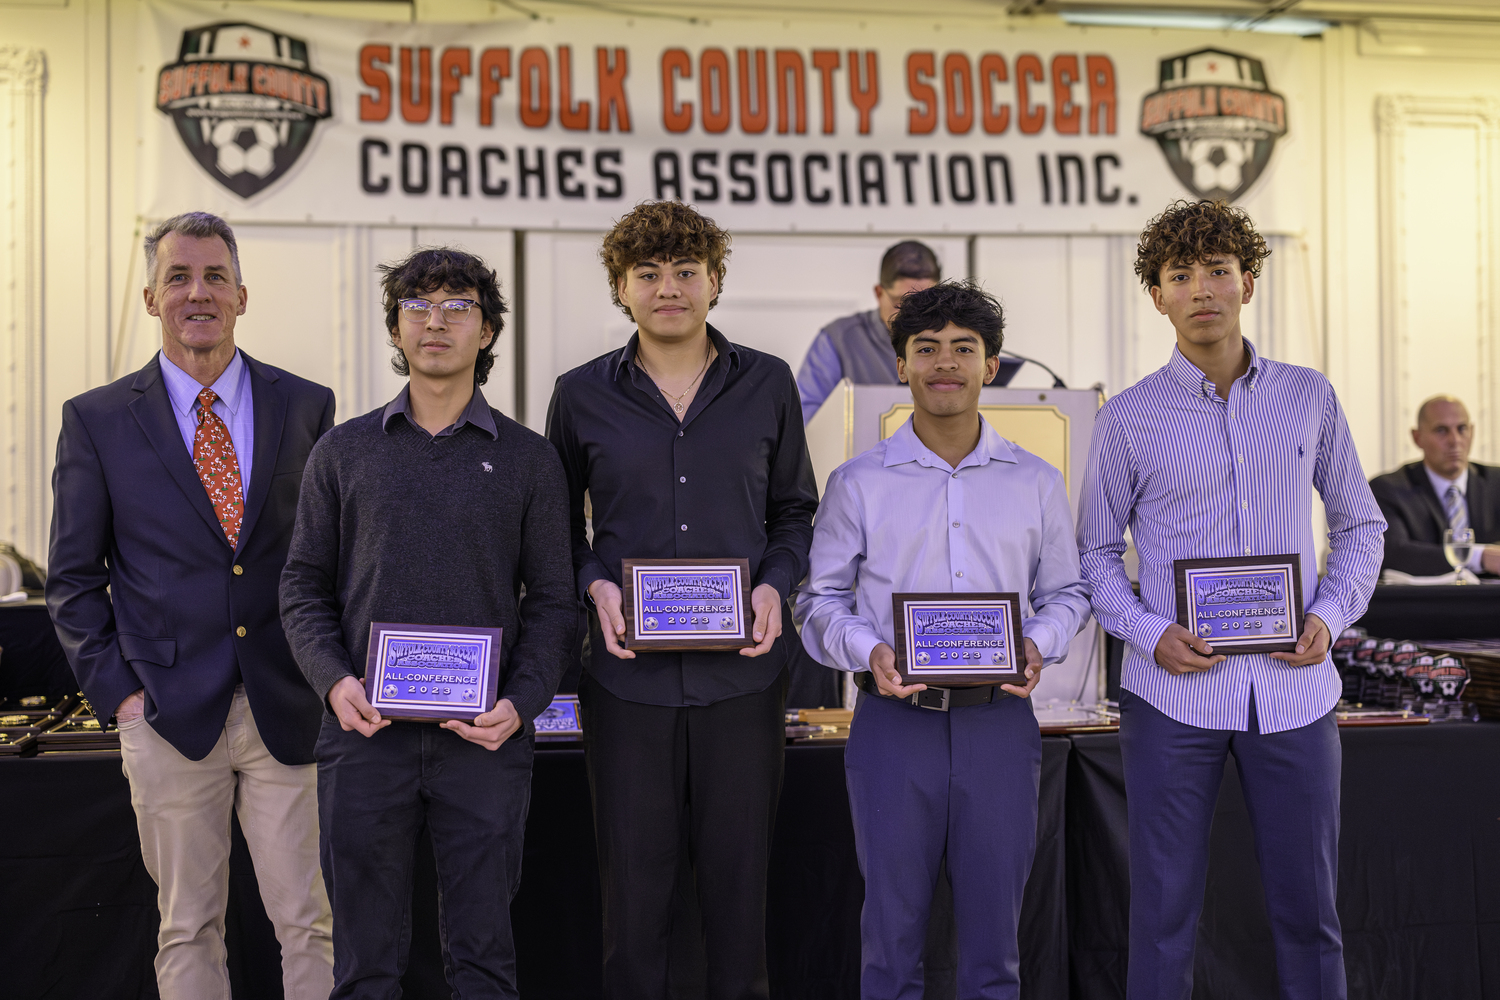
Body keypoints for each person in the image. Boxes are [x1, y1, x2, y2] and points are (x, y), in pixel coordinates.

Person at [1076, 199, 1385, 1000]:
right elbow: (1096, 554)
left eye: (1218, 270)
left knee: (1310, 911)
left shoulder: (1309, 397)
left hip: (1296, 693)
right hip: (1172, 696)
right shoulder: (1129, 419)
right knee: (1164, 912)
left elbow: (1360, 524)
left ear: (1248, 281)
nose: (1202, 288)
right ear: (1158, 296)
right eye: (1181, 274)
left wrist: (1329, 614)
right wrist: (1148, 633)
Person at [46, 211, 336, 999]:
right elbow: (72, 578)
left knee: (309, 923)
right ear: (151, 298)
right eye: (179, 277)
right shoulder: (98, 420)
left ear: (243, 295)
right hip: (167, 715)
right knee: (187, 924)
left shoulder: (306, 407)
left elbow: (329, 560)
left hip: (287, 706)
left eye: (214, 277)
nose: (197, 293)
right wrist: (122, 698)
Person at [279, 247, 576, 999]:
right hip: (363, 735)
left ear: (487, 331)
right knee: (366, 963)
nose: (435, 321)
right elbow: (302, 584)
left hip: (484, 738)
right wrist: (333, 682)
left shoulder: (530, 461)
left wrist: (521, 701)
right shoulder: (342, 451)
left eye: (457, 306)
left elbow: (552, 600)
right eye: (417, 306)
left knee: (482, 958)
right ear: (396, 327)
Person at [545, 201, 818, 1000]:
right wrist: (594, 583)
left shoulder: (767, 382)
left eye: (686, 271)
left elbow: (794, 511)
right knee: (633, 906)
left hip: (746, 679)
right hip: (627, 686)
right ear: (621, 289)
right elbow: (555, 524)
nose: (669, 288)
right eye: (649, 274)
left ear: (716, 282)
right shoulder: (579, 394)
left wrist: (774, 584)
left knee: (739, 900)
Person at [798, 280, 1090, 999]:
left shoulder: (1036, 482)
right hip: (895, 727)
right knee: (891, 942)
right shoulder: (858, 482)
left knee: (996, 946)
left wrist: (1038, 641)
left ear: (992, 366)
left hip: (1000, 726)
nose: (944, 364)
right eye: (925, 349)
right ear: (900, 365)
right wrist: (871, 650)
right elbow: (817, 601)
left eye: (964, 348)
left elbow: (1071, 593)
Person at [795, 240, 941, 421]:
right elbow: (806, 419)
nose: (916, 313)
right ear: (879, 293)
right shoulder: (838, 340)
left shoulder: (957, 340)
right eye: (902, 303)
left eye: (927, 302)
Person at [1369, 395, 1500, 576]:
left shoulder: (1496, 482)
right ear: (1417, 438)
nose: (1455, 441)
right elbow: (1393, 552)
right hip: (1425, 602)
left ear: (1472, 432)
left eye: (1462, 429)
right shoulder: (1388, 489)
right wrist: (1478, 557)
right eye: (1441, 430)